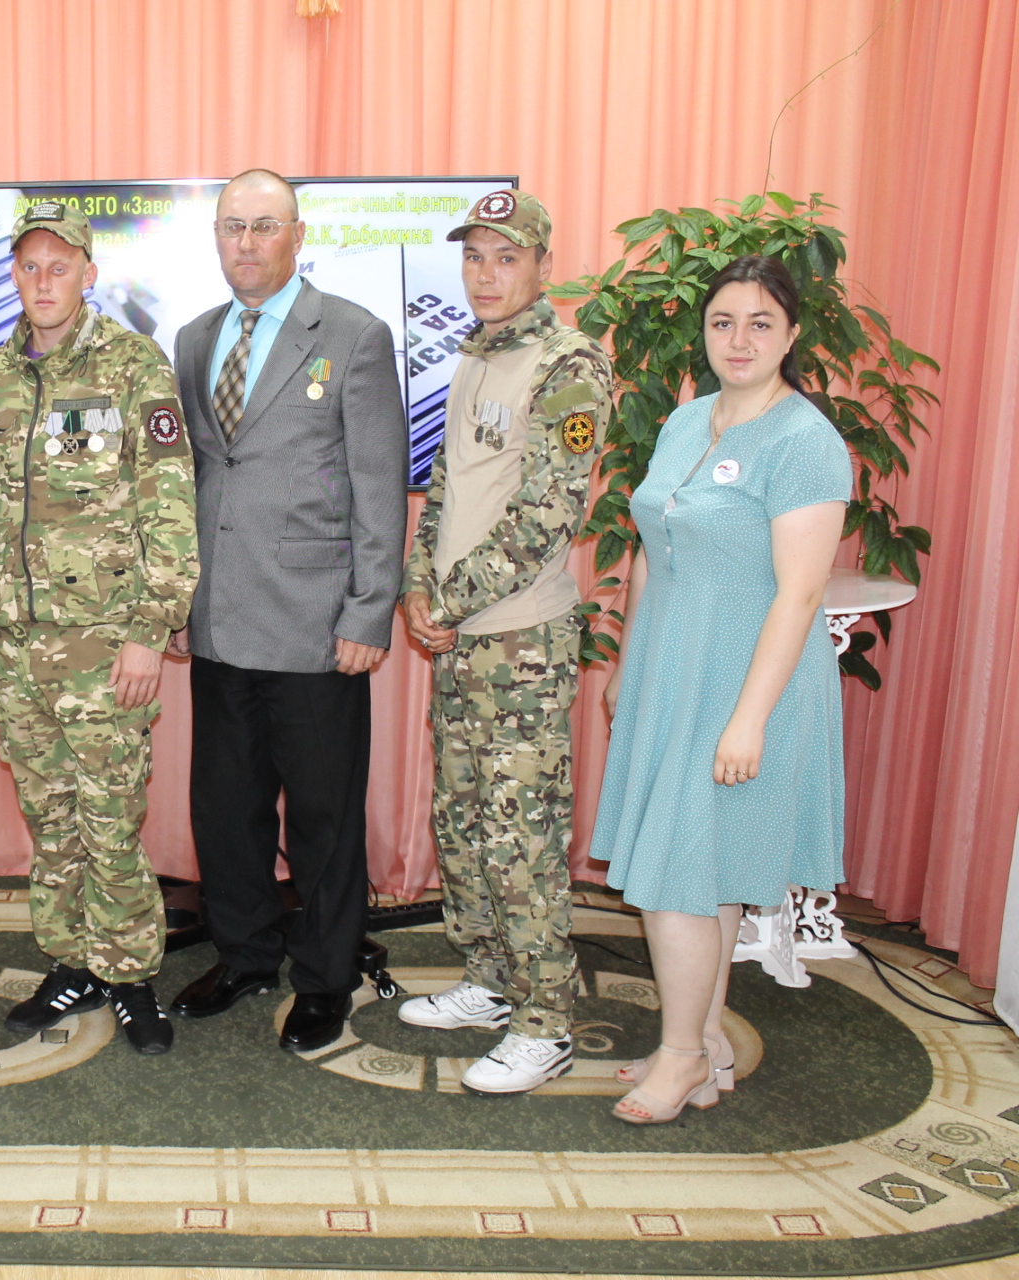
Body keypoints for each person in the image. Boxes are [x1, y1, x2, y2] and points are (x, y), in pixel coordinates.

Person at [592, 255, 852, 1124]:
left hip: (749, 678)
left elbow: (801, 592)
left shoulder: (804, 441)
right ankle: (700, 1051)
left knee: (676, 878)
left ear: (792, 334)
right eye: (722, 323)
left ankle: (676, 1058)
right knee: (706, 868)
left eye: (760, 324)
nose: (738, 341)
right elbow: (648, 541)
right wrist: (629, 659)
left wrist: (749, 719)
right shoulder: (685, 420)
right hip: (673, 665)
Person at [165, 169, 409, 1052]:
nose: (245, 243)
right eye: (232, 226)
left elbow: (381, 489)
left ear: (297, 235)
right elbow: (194, 478)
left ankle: (325, 977)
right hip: (221, 622)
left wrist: (368, 613)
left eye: (263, 226)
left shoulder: (353, 334)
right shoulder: (194, 339)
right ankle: (244, 954)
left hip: (316, 629)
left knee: (323, 819)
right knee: (224, 811)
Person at [0, 201, 199, 1055]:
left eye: (60, 265)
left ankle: (132, 976)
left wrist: (149, 627)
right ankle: (72, 962)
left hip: (107, 647)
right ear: (14, 274)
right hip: (21, 647)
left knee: (109, 816)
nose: (43, 281)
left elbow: (171, 507)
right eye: (29, 266)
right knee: (50, 816)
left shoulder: (135, 368)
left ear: (89, 273)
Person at [398, 189, 615, 1094]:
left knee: (520, 831)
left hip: (521, 640)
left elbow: (547, 515)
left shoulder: (572, 369)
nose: (486, 275)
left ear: (542, 267)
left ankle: (545, 1018)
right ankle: (490, 976)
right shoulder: (478, 356)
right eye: (475, 257)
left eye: (505, 257)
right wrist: (418, 585)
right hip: (462, 635)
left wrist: (447, 599)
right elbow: (445, 489)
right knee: (463, 815)